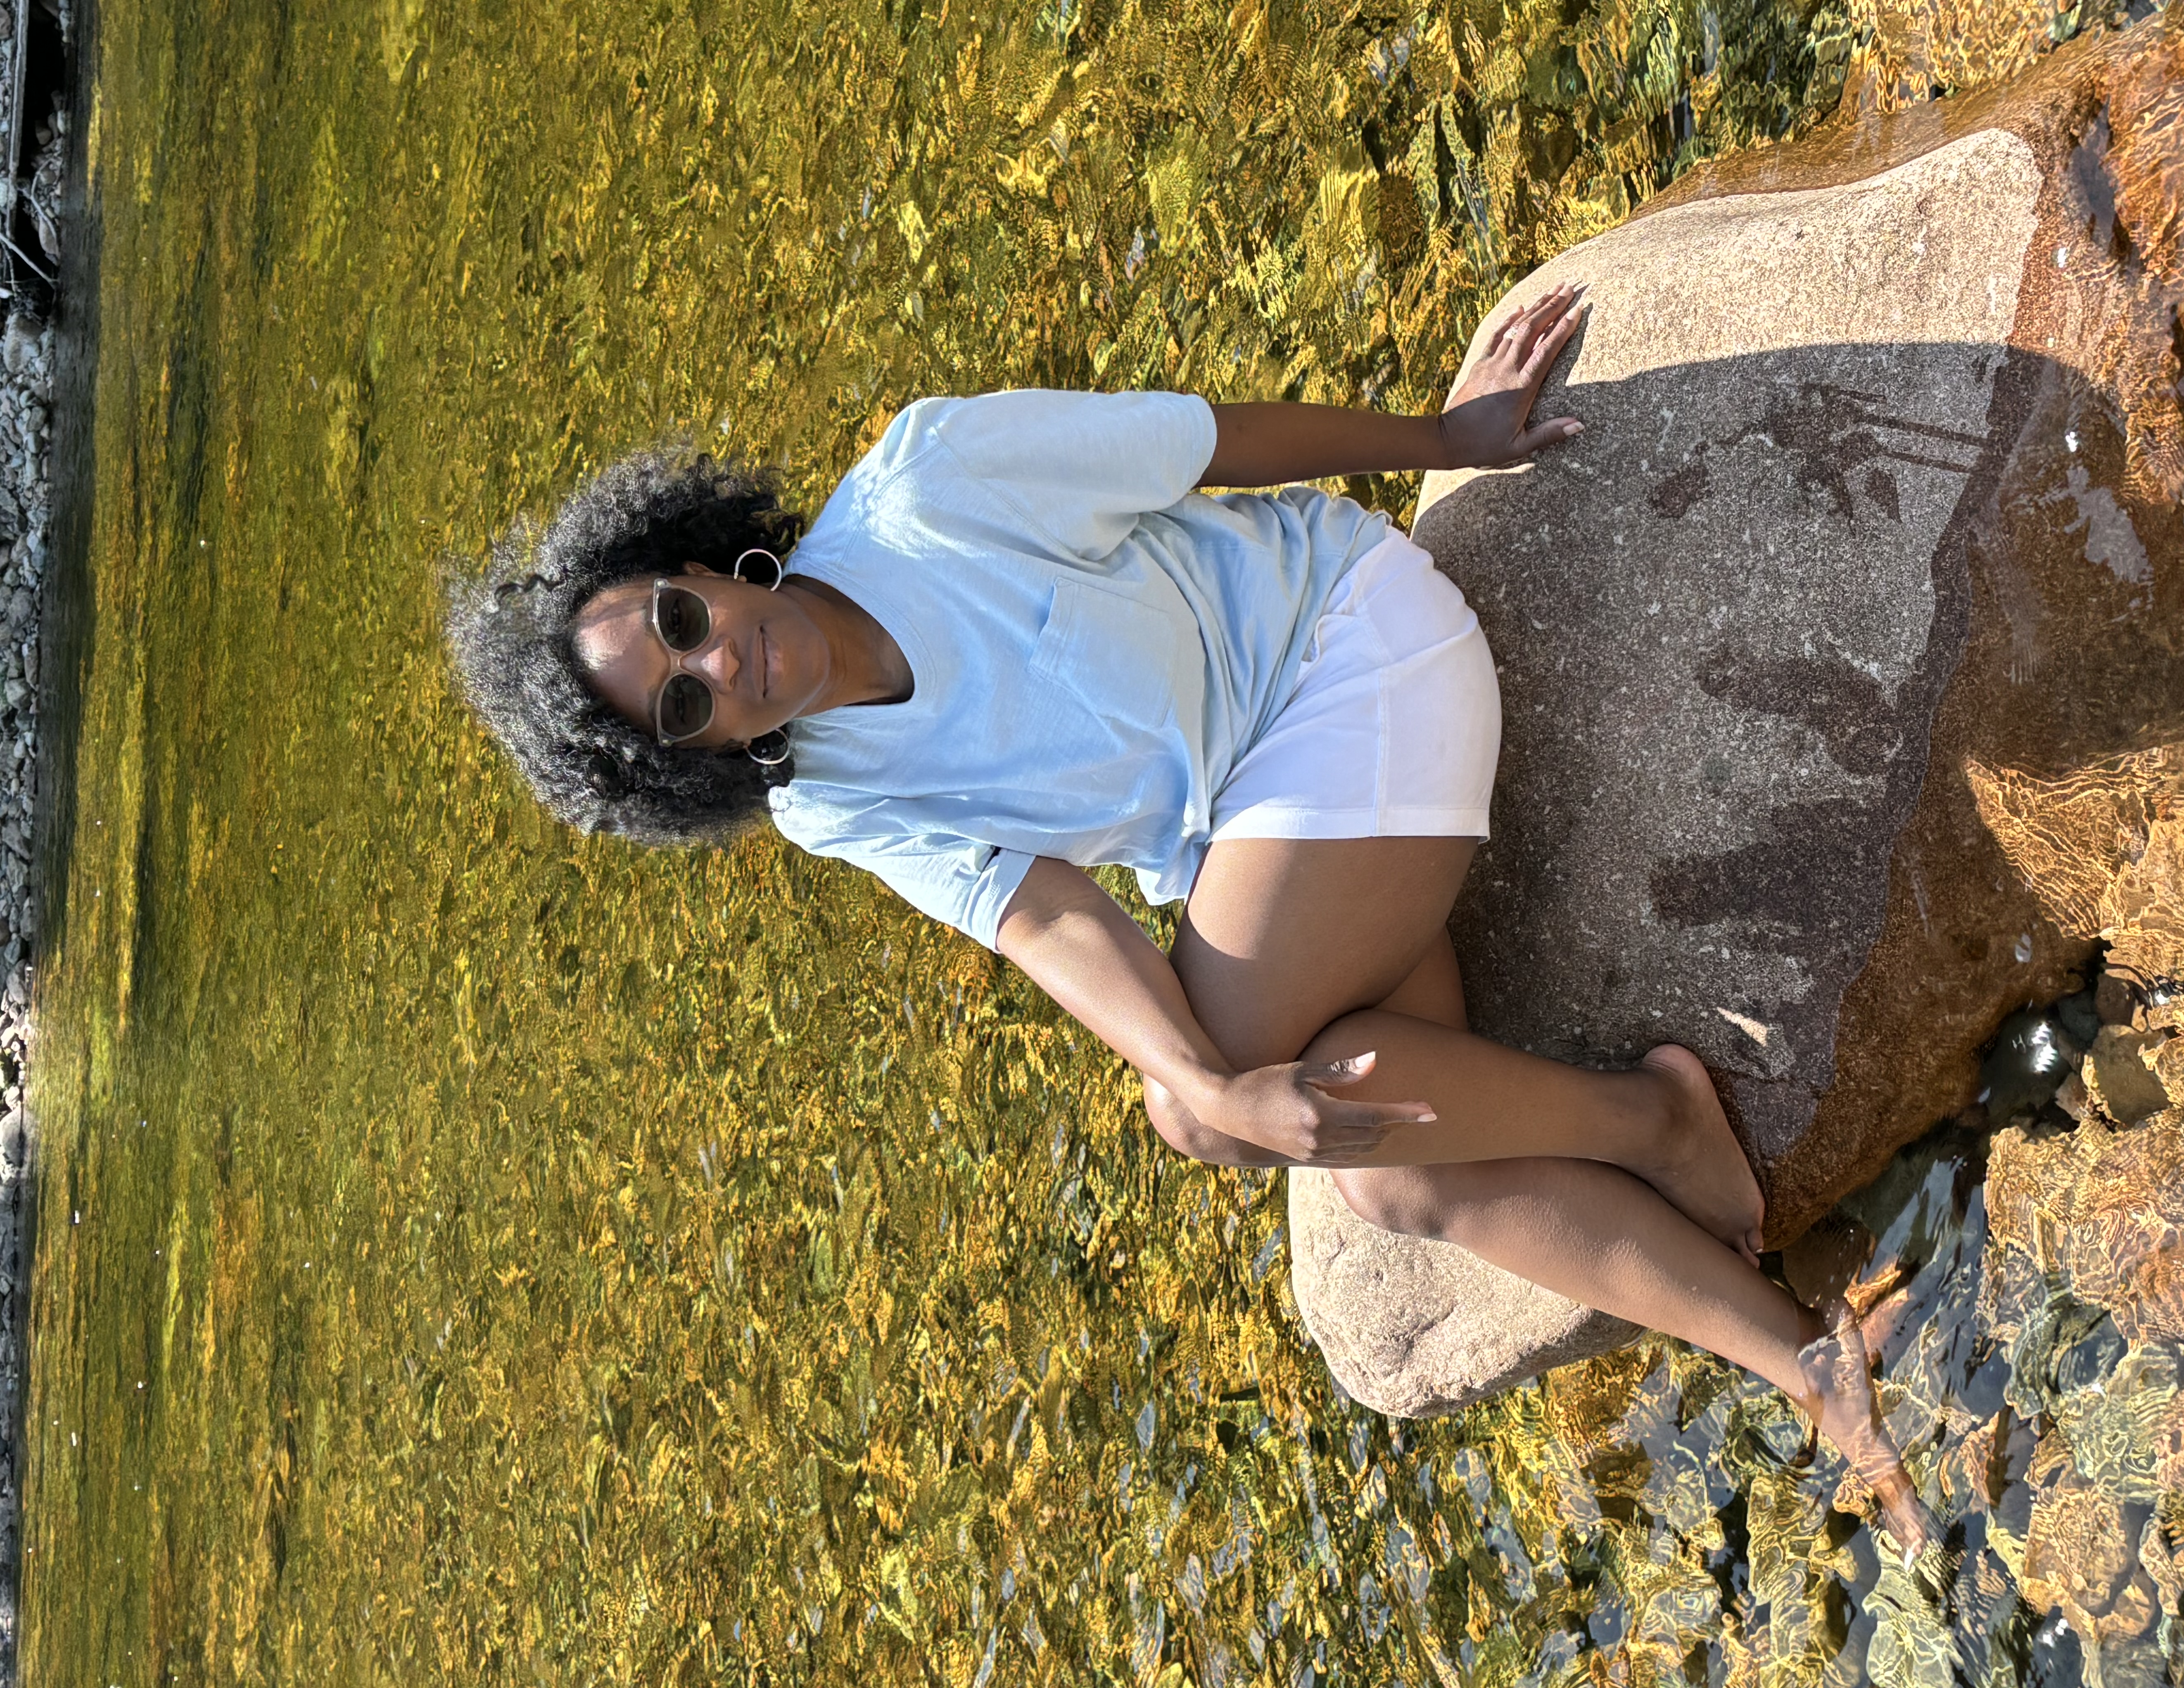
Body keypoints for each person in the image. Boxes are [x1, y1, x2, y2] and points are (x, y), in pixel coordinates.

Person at [445, 284, 1930, 1552]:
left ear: (697, 562)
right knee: (1398, 1183)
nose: (722, 662)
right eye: (685, 705)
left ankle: (1646, 1122)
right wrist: (1210, 1079)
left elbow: (1206, 442)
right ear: (699, 758)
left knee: (1206, 1108)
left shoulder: (926, 484)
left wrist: (1445, 442)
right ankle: (1801, 1361)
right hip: (1270, 843)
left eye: (683, 621)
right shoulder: (824, 798)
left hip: (1343, 655)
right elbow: (1036, 912)